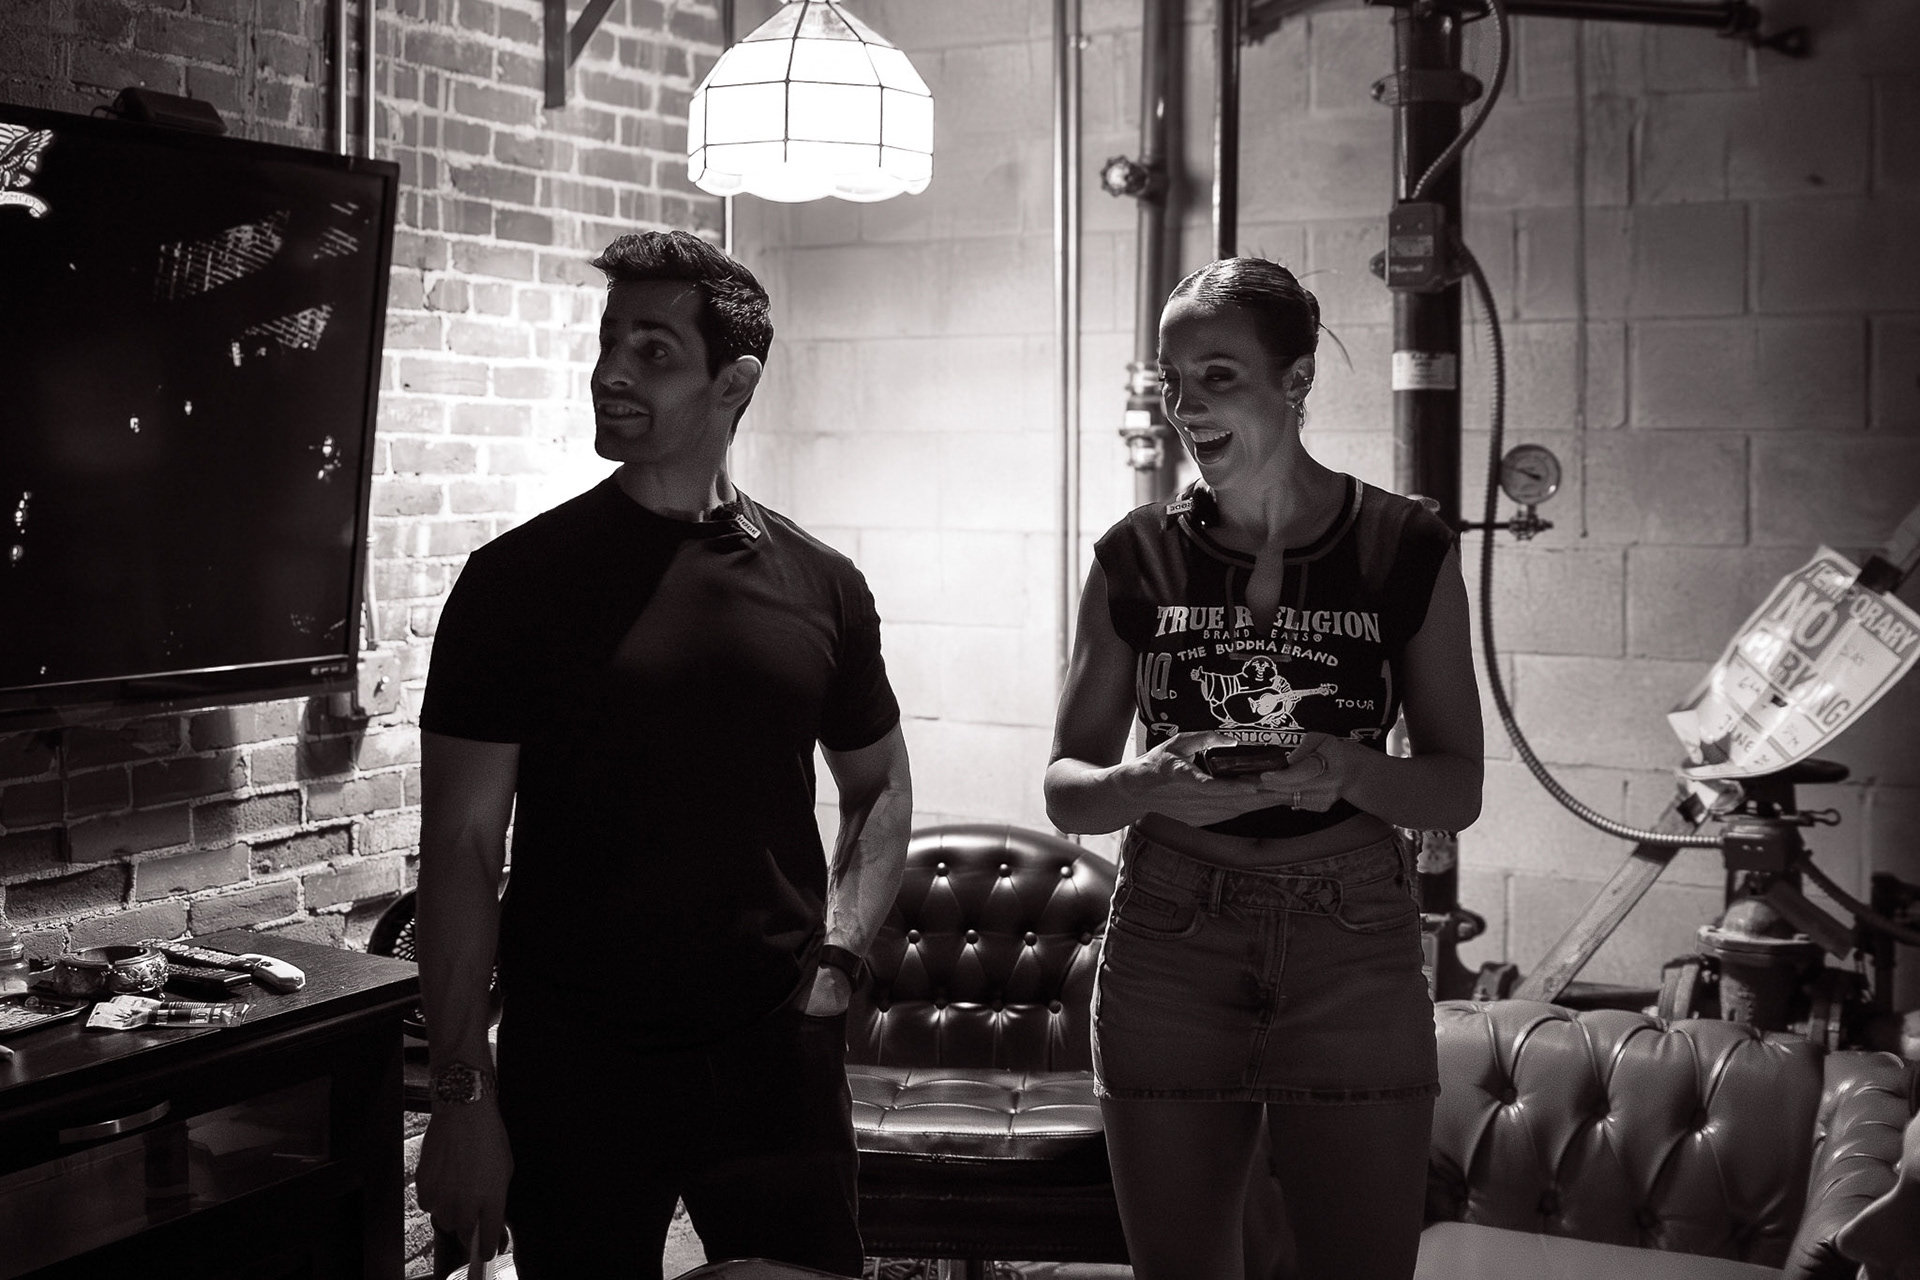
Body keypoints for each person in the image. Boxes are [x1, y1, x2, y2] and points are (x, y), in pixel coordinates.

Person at [411, 229, 912, 1279]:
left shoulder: (822, 584)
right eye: (607, 343)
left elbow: (877, 786)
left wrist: (838, 960)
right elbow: (460, 848)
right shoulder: (514, 585)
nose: (611, 373)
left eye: (652, 351)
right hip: (576, 1059)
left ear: (736, 382)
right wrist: (462, 1092)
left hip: (773, 1050)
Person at [1045, 257, 1482, 1280]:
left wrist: (1349, 772)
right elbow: (1067, 785)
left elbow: (1456, 786)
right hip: (1170, 933)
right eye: (1172, 379)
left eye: (1218, 376)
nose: (1186, 405)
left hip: (1352, 935)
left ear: (1297, 381)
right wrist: (1138, 786)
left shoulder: (1404, 544)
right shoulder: (1134, 555)